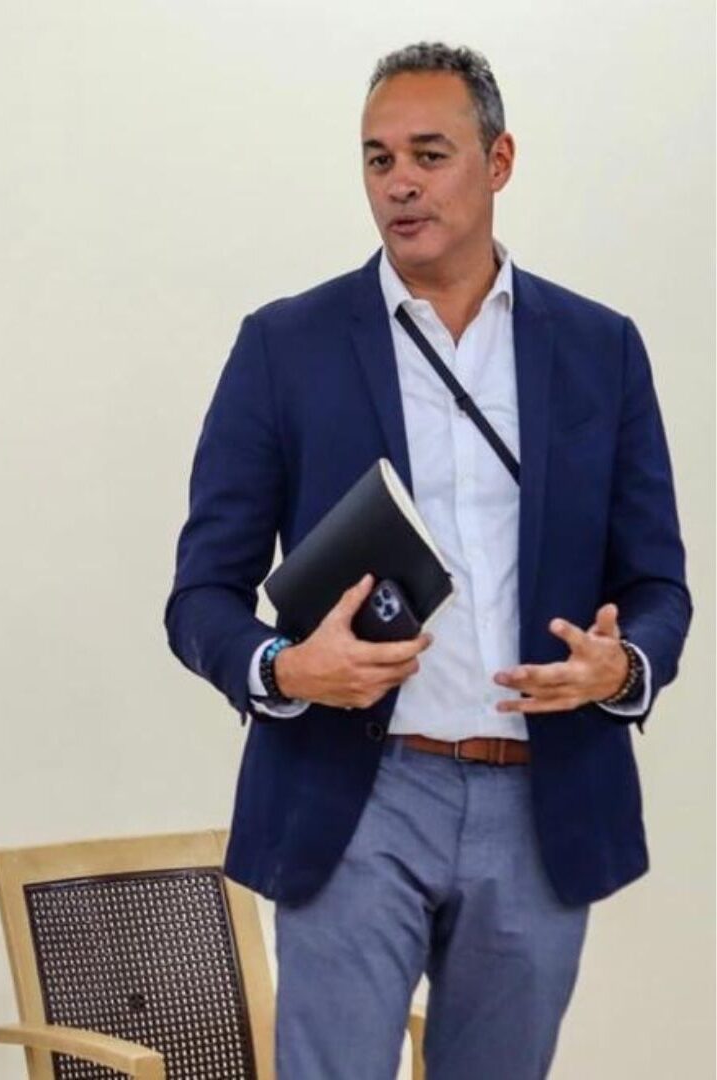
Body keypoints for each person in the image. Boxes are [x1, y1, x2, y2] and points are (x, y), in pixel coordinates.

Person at [164, 42, 690, 1079]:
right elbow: (201, 594)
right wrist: (283, 669)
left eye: (428, 154)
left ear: (499, 162)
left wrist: (620, 668)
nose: (398, 181)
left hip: (539, 800)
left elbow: (659, 584)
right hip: (354, 794)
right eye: (377, 159)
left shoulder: (600, 348)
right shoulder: (286, 346)